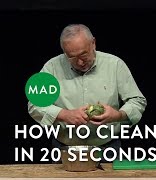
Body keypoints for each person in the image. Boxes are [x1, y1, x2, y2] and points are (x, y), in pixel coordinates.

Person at [28, 24, 147, 162]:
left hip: (108, 150)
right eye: (72, 57)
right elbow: (34, 105)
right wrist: (65, 115)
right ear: (64, 52)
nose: (80, 62)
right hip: (64, 150)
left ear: (93, 43)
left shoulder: (115, 65)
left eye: (84, 54)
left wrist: (118, 115)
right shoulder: (52, 67)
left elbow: (137, 101)